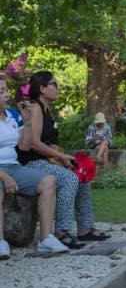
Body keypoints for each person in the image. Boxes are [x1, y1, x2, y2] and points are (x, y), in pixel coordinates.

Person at [19, 71, 109, 248]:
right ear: (43, 89)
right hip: (32, 163)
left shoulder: (45, 109)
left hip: (46, 160)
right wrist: (60, 156)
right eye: (54, 84)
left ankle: (85, 228)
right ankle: (62, 231)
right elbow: (34, 144)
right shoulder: (35, 108)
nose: (58, 88)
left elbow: (47, 143)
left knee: (81, 175)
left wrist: (62, 155)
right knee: (69, 178)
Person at [0, 78, 68, 257]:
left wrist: (27, 121)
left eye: (5, 90)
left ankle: (45, 239)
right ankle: (0, 242)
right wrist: (5, 178)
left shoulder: (13, 115)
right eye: (1, 92)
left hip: (14, 166)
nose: (6, 94)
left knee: (48, 182)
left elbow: (23, 146)